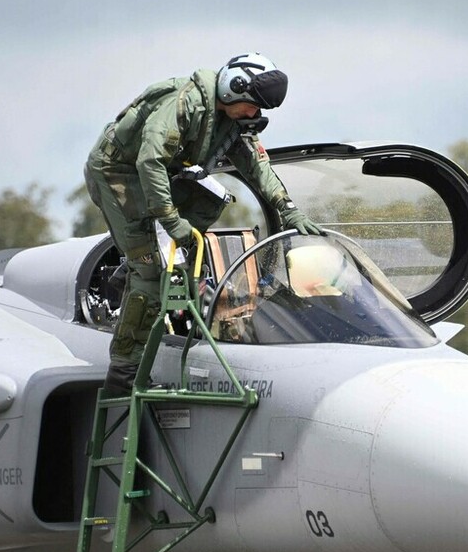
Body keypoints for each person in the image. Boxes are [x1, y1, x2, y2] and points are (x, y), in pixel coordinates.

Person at [84, 53, 322, 395]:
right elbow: (150, 161)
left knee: (210, 198)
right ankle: (123, 376)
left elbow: (258, 166)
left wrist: (288, 209)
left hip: (157, 173)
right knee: (150, 273)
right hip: (117, 172)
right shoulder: (184, 104)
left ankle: (137, 268)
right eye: (253, 106)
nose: (254, 114)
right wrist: (170, 220)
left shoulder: (231, 120)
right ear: (234, 89)